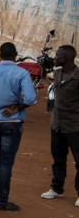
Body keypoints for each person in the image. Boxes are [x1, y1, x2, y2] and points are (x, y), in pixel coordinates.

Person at [0, 42, 36, 210]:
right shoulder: (21, 73)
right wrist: (17, 107)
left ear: (0, 55)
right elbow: (30, 98)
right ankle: (1, 200)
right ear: (16, 54)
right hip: (12, 123)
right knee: (6, 162)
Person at [42, 45, 79, 205]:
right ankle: (57, 188)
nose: (55, 58)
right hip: (57, 124)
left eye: (58, 55)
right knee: (58, 157)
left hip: (74, 126)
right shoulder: (57, 73)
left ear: (67, 58)